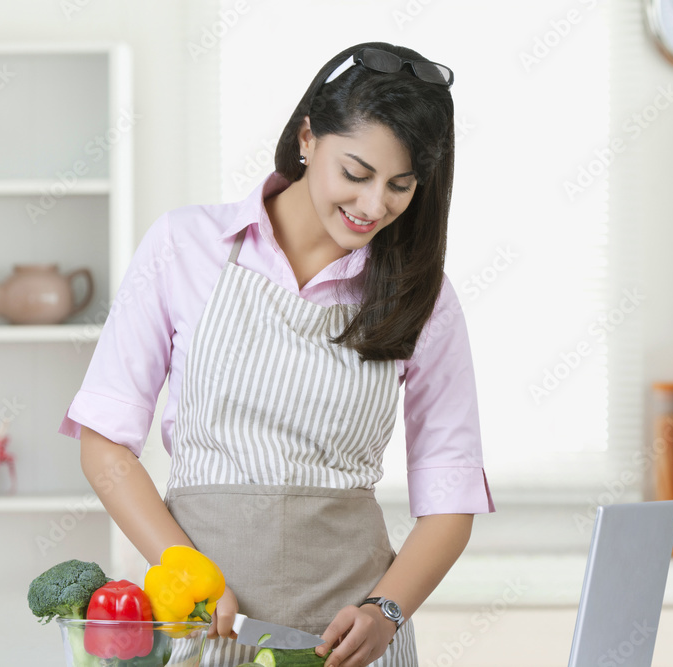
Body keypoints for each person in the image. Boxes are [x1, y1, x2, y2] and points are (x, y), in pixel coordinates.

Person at [58, 41, 495, 667]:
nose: (374, 206)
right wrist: (186, 574)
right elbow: (103, 443)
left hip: (353, 641)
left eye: (401, 185)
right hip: (205, 626)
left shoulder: (422, 294)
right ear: (309, 138)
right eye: (356, 173)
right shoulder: (186, 246)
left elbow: (450, 498)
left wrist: (387, 611)